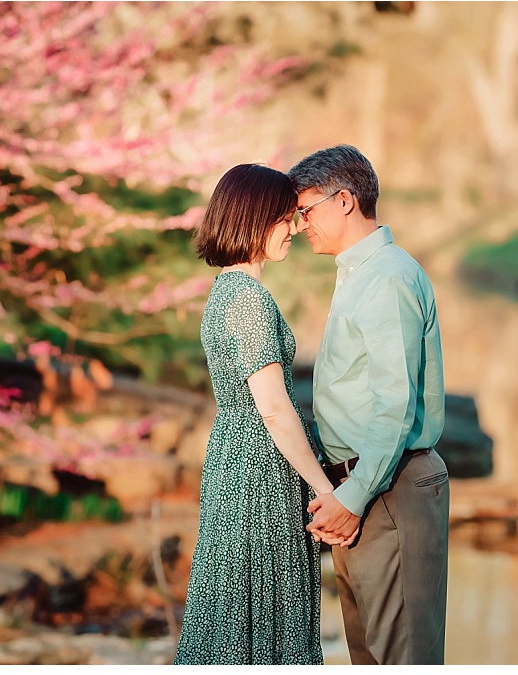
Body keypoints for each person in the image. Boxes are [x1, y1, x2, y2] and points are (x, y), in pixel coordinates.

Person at [287, 145, 449, 665]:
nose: (299, 224)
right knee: (370, 658)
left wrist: (352, 496)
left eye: (306, 210)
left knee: (401, 659)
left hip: (389, 487)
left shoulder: (387, 278)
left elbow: (394, 406)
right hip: (361, 489)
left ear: (346, 200)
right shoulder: (358, 273)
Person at [174, 163, 335, 665]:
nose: (294, 228)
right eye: (285, 219)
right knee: (258, 610)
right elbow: (272, 406)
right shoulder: (246, 299)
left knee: (237, 611)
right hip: (258, 474)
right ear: (253, 219)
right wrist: (325, 487)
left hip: (236, 463)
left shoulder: (227, 291)